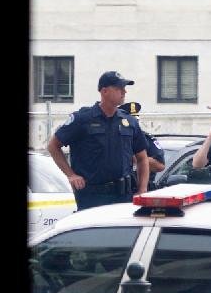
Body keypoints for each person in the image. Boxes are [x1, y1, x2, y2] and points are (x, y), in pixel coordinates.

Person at [47, 70, 149, 210]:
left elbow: (142, 158)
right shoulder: (83, 119)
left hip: (123, 196)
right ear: (104, 91)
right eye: (119, 88)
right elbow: (53, 146)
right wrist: (71, 175)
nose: (124, 92)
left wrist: (142, 190)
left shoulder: (129, 121)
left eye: (124, 88)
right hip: (92, 196)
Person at [122, 102, 165, 191]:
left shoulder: (146, 138)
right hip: (120, 189)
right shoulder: (115, 139)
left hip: (142, 189)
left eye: (135, 120)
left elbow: (160, 166)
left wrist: (138, 157)